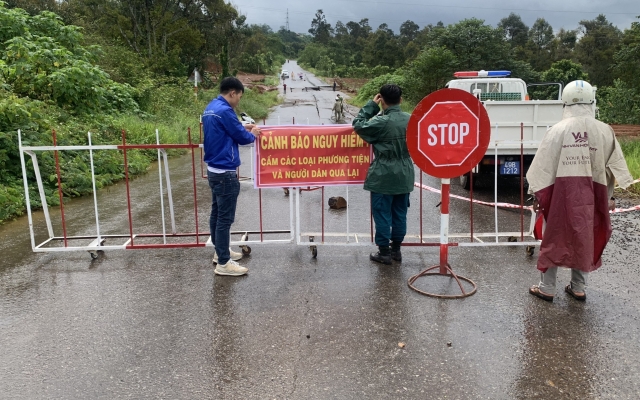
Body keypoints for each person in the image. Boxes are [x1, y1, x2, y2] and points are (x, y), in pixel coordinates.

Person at [527, 80, 633, 301]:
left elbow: (542, 168)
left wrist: (537, 196)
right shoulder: (605, 130)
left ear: (565, 102)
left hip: (560, 197)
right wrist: (611, 196)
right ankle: (578, 288)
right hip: (594, 197)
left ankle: (546, 289)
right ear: (592, 102)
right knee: (587, 236)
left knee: (553, 237)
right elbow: (615, 167)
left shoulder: (557, 130)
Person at [203, 77, 261, 276]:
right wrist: (254, 133)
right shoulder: (226, 111)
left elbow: (230, 130)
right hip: (225, 172)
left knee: (216, 214)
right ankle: (224, 264)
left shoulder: (212, 107)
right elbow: (243, 138)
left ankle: (220, 253)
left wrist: (243, 127)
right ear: (232, 93)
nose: (238, 102)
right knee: (224, 219)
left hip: (213, 170)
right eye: (239, 97)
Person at [353, 84, 415, 264]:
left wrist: (371, 106)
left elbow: (358, 124)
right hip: (405, 172)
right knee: (400, 213)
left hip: (383, 174)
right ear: (400, 100)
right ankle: (396, 250)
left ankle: (384, 252)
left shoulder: (380, 122)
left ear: (382, 100)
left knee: (381, 213)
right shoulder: (411, 120)